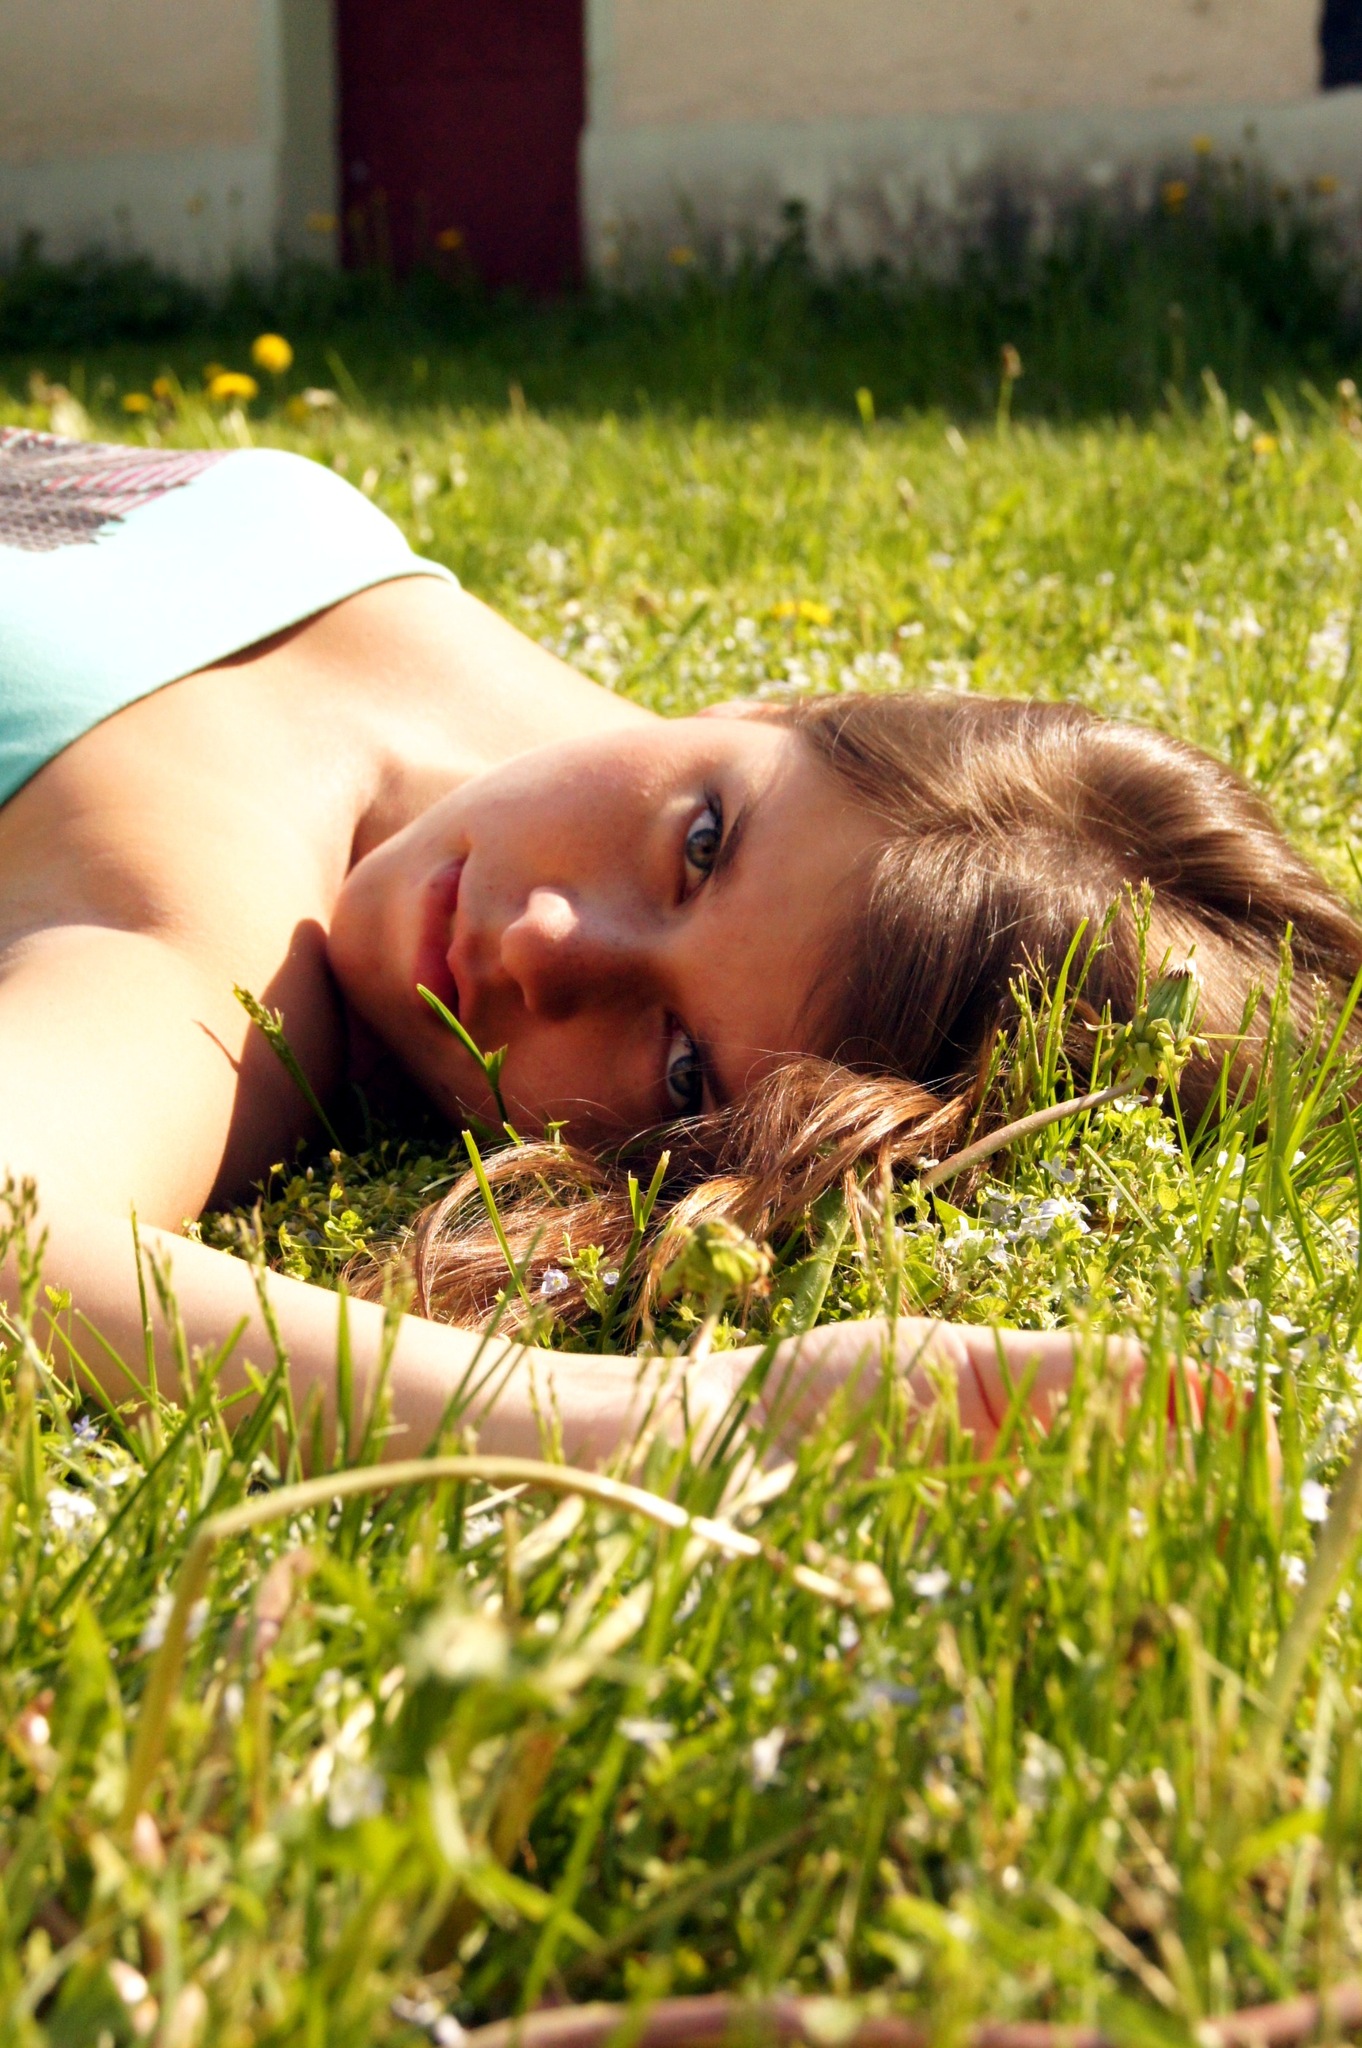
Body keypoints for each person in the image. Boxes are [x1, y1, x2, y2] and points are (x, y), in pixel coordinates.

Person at [0, 427, 1355, 1469]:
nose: (544, 944)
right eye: (703, 845)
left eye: (684, 1070)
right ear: (781, 709)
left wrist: (656, 1417)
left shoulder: (201, 952)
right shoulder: (542, 722)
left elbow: (19, 1227)